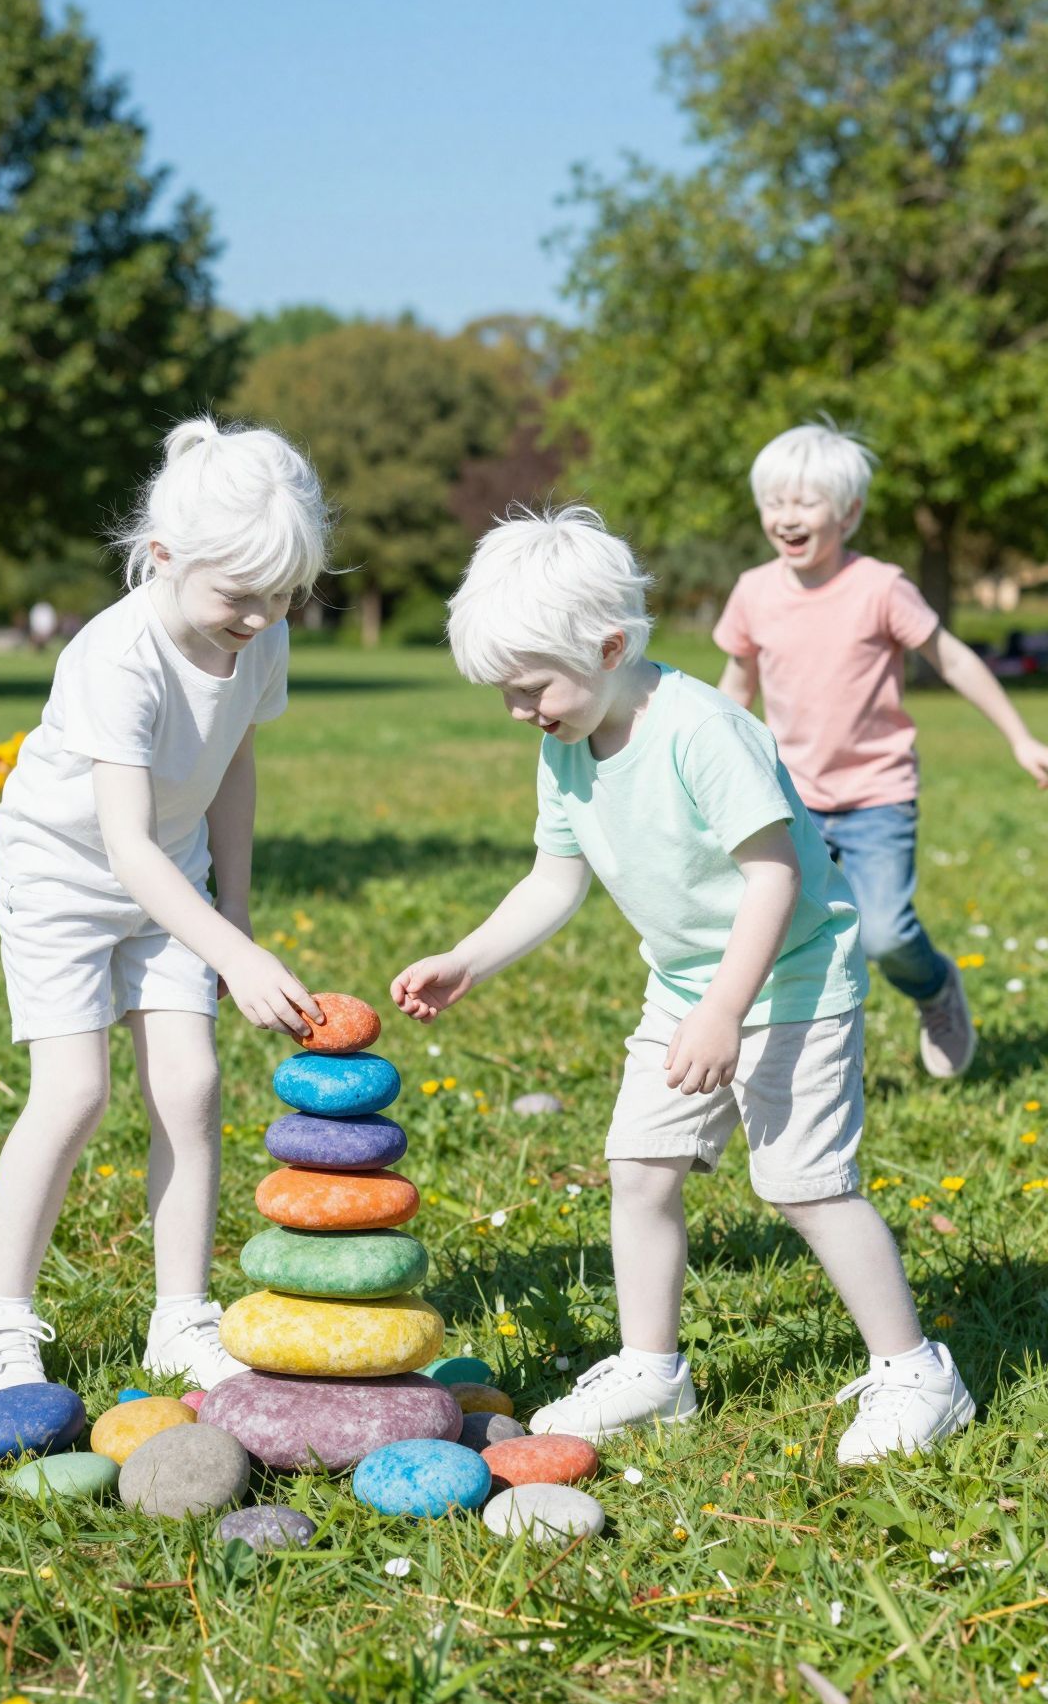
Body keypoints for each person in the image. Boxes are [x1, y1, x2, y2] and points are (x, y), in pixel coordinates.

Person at [390, 507, 974, 1460]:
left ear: (611, 645)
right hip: (686, 988)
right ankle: (653, 1371)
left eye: (530, 687)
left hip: (787, 981)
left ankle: (917, 1371)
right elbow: (554, 878)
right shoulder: (567, 741)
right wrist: (468, 957)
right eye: (504, 692)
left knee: (805, 1185)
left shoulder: (703, 730)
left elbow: (776, 877)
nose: (519, 710)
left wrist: (724, 1011)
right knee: (641, 1168)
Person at [0, 416, 330, 1400]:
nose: (262, 616)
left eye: (283, 595)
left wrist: (234, 912)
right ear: (163, 555)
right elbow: (120, 843)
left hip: (175, 874)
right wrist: (231, 955)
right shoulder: (116, 656)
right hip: (65, 876)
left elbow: (236, 757)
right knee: (75, 1090)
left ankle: (181, 1319)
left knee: (192, 1087)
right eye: (242, 596)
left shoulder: (262, 633)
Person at [714, 422, 1048, 1080]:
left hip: (878, 795)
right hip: (794, 799)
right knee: (782, 934)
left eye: (805, 503)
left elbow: (951, 658)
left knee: (886, 935)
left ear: (850, 512)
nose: (787, 517)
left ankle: (934, 989)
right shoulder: (754, 591)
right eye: (774, 502)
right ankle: (806, 1062)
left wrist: (1020, 737)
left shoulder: (881, 586)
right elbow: (735, 688)